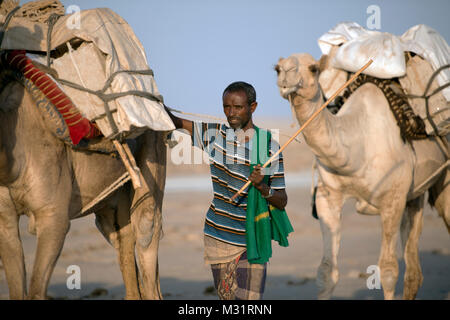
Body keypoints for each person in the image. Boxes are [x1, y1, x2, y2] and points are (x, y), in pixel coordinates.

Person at [165, 81, 291, 300]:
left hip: (254, 237)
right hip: (219, 236)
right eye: (226, 107)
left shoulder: (268, 146)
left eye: (238, 107)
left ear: (253, 107)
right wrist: (155, 104)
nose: (230, 113)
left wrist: (262, 186)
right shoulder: (213, 136)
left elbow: (281, 201)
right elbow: (175, 121)